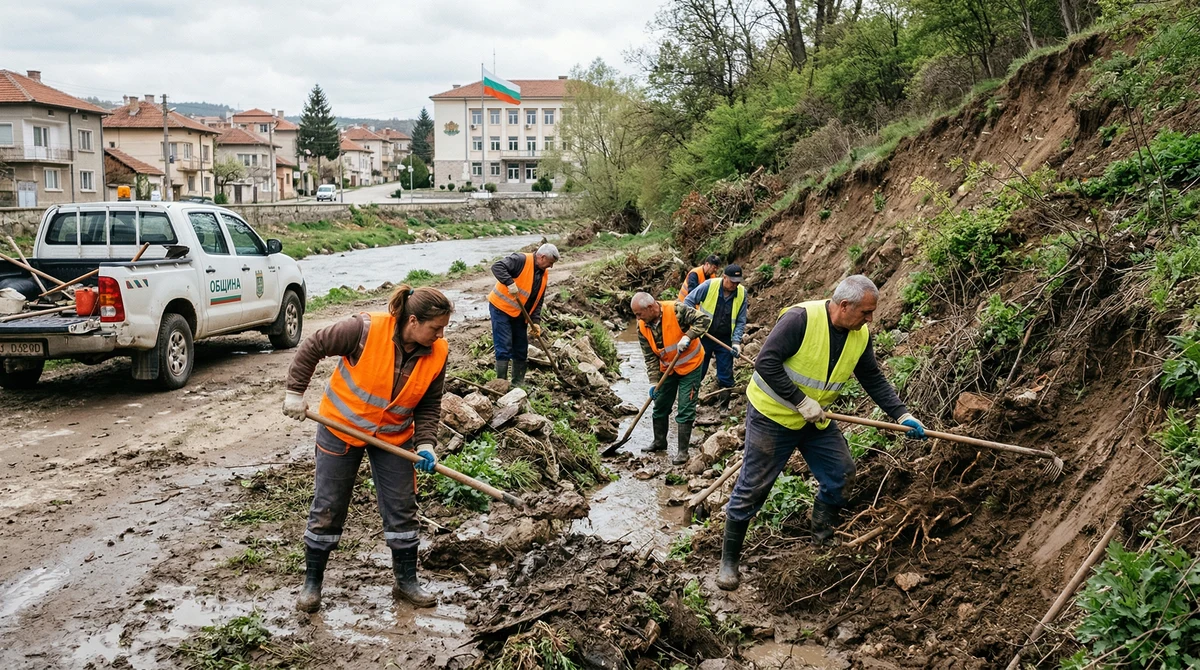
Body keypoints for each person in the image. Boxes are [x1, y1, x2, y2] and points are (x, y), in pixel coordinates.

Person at [715, 275, 927, 591]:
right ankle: (729, 562)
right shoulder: (800, 319)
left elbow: (872, 377)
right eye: (865, 312)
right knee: (754, 486)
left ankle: (822, 539)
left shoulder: (860, 334)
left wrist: (902, 414)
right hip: (772, 417)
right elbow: (765, 364)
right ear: (844, 305)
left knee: (840, 473)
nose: (870, 319)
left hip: (815, 421)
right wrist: (800, 400)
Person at [283, 285, 454, 612]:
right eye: (436, 327)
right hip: (340, 428)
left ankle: (406, 583)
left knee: (402, 507)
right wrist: (295, 393)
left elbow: (429, 404)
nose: (441, 334)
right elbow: (314, 345)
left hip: (393, 435)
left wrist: (427, 444)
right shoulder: (363, 329)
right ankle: (312, 584)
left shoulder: (439, 352)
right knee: (328, 505)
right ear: (414, 321)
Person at [631, 292, 712, 465]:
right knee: (660, 405)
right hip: (667, 368)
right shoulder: (642, 326)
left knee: (685, 407)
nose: (638, 318)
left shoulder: (676, 310)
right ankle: (659, 442)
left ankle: (683, 452)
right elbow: (650, 356)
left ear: (651, 307)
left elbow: (704, 320)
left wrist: (688, 336)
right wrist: (653, 381)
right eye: (636, 314)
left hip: (690, 366)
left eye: (639, 314)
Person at [489, 243, 559, 386]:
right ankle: (501, 385)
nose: (550, 267)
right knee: (504, 345)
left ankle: (517, 384)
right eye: (550, 263)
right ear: (542, 257)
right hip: (501, 309)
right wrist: (509, 283)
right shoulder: (520, 260)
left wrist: (536, 322)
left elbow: (538, 301)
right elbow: (497, 266)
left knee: (521, 348)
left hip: (520, 314)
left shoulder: (543, 274)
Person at [684, 264, 749, 403]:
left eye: (737, 282)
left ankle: (724, 405)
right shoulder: (709, 286)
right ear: (724, 277)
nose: (735, 285)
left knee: (726, 374)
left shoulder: (742, 293)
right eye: (732, 281)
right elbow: (688, 302)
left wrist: (736, 342)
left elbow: (741, 320)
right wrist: (696, 324)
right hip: (704, 336)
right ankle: (689, 404)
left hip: (725, 338)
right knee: (698, 371)